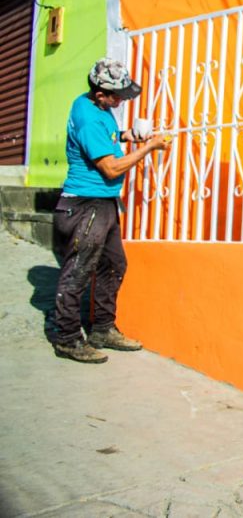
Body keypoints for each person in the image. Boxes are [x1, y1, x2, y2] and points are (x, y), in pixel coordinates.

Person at [51, 58, 168, 364]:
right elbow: (111, 167)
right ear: (100, 93)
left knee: (114, 264)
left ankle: (102, 328)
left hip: (102, 203)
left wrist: (130, 136)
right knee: (78, 271)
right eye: (116, 96)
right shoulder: (88, 116)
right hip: (85, 203)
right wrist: (148, 148)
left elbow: (109, 140)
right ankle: (67, 339)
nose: (120, 101)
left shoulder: (96, 109)